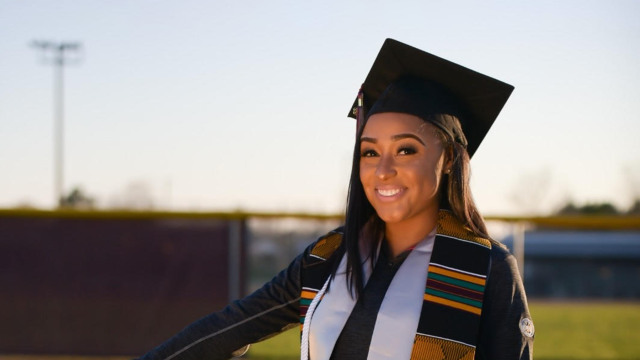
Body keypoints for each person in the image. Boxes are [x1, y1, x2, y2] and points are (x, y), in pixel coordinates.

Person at [137, 39, 534, 360]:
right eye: (370, 152)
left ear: (448, 159)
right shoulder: (331, 256)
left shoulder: (484, 269)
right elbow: (231, 327)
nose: (383, 170)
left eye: (407, 150)